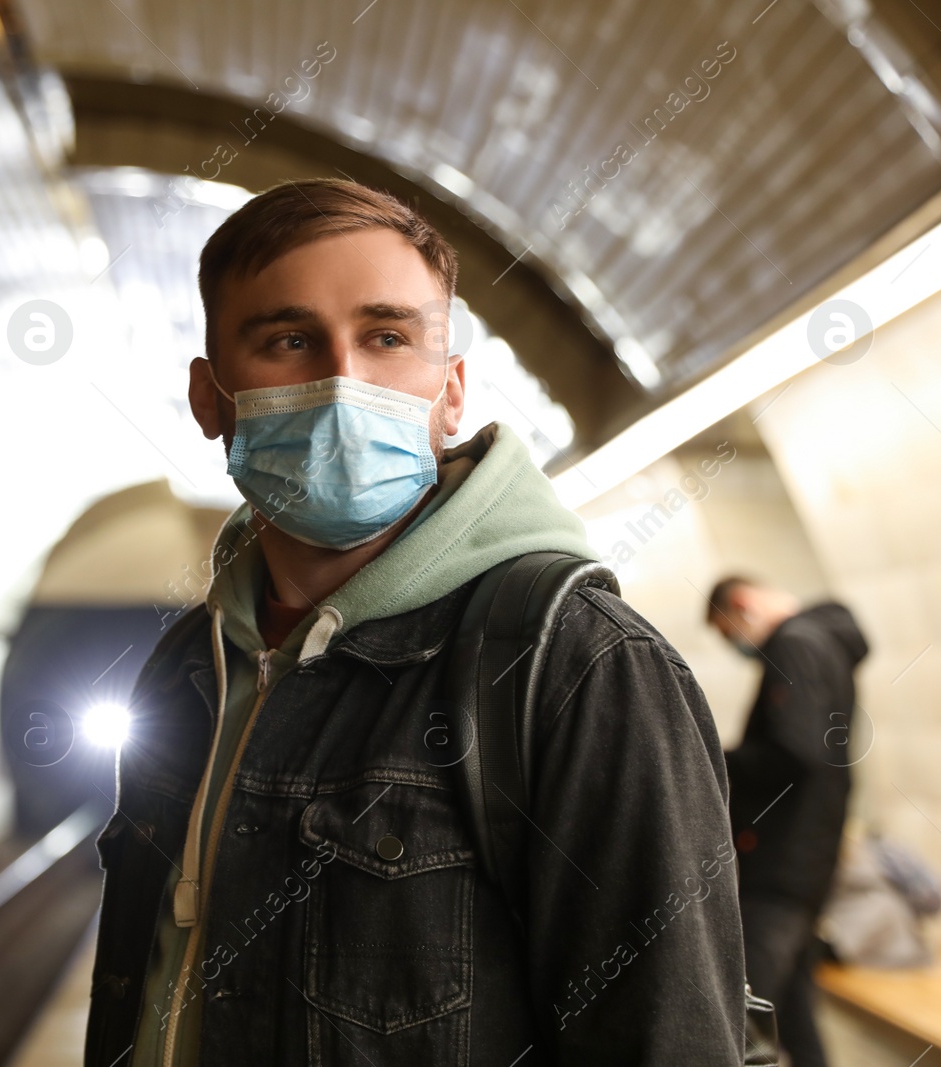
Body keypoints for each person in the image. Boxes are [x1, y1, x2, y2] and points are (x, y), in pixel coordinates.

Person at [85, 178, 747, 1067]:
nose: (343, 382)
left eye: (387, 337)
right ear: (211, 399)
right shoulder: (187, 668)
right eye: (288, 339)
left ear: (450, 393)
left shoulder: (574, 667)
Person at [708, 577, 870, 1067]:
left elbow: (796, 751)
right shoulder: (822, 643)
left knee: (744, 1008)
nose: (735, 644)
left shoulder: (795, 644)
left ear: (742, 604)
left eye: (727, 631)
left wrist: (716, 759)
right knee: (795, 1012)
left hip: (781, 861)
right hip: (809, 853)